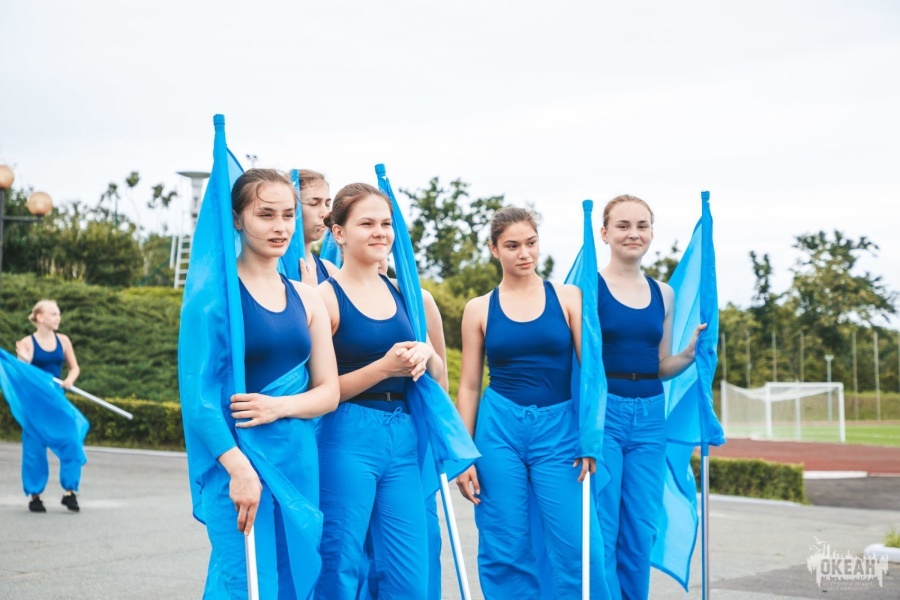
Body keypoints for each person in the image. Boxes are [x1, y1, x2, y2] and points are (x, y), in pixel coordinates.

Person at [192, 168, 339, 597]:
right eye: (265, 214)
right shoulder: (212, 297)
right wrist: (238, 469)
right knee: (244, 584)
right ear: (237, 219)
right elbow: (198, 398)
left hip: (297, 460)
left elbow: (328, 391)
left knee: (293, 583)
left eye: (288, 215)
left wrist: (279, 406)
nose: (280, 227)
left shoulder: (308, 297)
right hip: (237, 462)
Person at [455, 206, 604, 598]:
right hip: (498, 432)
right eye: (512, 246)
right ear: (494, 249)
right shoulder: (478, 308)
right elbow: (469, 386)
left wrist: (591, 438)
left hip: (559, 432)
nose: (524, 253)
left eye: (531, 243)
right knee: (505, 544)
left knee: (577, 545)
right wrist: (462, 455)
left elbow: (592, 375)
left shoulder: (568, 298)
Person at [316, 183, 443, 599]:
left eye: (386, 223)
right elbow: (322, 391)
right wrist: (384, 368)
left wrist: (427, 353)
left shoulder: (410, 297)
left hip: (403, 436)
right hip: (346, 434)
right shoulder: (323, 299)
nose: (380, 232)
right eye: (366, 223)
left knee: (410, 575)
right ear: (338, 233)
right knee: (339, 564)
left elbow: (439, 380)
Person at [595, 194, 705, 600]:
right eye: (623, 226)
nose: (633, 233)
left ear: (652, 233)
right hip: (605, 414)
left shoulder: (664, 294)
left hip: (650, 416)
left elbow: (660, 365)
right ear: (604, 233)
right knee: (604, 522)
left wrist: (688, 356)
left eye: (642, 226)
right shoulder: (587, 288)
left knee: (642, 526)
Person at [15, 300, 83, 513]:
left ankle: (70, 492)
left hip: (57, 401)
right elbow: (21, 376)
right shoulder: (26, 343)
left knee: (72, 439)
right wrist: (25, 361)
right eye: (53, 314)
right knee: (34, 449)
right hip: (35, 404)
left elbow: (74, 367)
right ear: (40, 317)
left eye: (58, 314)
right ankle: (35, 496)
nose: (58, 317)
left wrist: (69, 380)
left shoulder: (63, 340)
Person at [295, 169, 339, 285]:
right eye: (314, 204)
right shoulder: (271, 267)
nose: (325, 213)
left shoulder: (330, 271)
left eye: (327, 204)